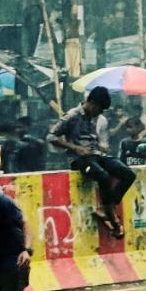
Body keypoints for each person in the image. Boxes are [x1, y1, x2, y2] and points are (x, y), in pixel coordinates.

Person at [47, 87, 135, 239]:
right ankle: (112, 215)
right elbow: (50, 136)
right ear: (92, 104)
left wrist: (101, 144)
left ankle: (106, 207)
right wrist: (75, 147)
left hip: (97, 154)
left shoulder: (96, 118)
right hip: (79, 159)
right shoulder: (72, 115)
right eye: (100, 109)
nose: (100, 114)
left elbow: (94, 136)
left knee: (128, 174)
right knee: (103, 176)